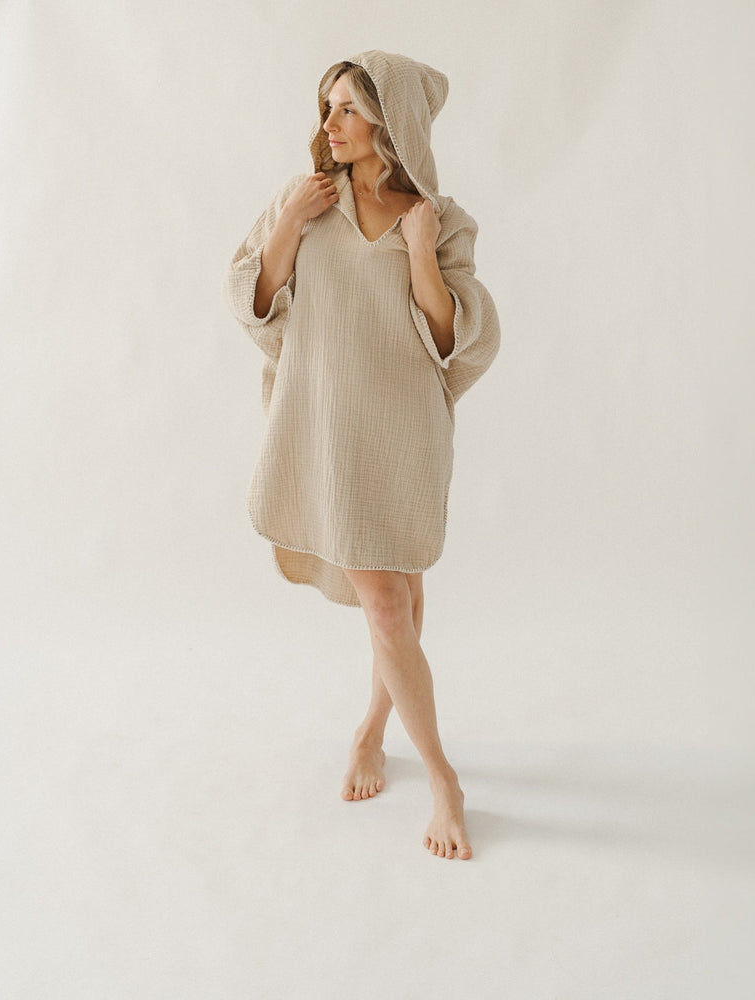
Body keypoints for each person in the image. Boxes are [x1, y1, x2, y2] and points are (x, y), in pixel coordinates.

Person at [224, 51, 500, 860]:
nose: (330, 123)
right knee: (385, 604)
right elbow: (257, 302)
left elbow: (450, 339)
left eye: (347, 107)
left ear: (391, 119)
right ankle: (444, 779)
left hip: (405, 431)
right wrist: (286, 225)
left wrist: (420, 250)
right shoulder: (306, 198)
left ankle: (374, 731)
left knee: (401, 596)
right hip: (330, 431)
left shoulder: (439, 220)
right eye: (327, 108)